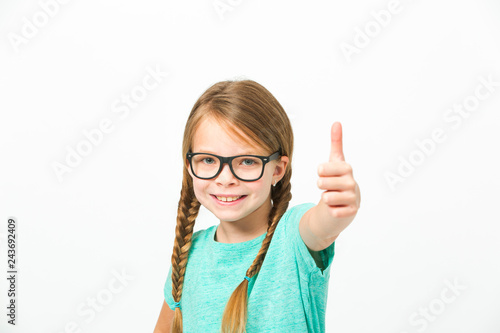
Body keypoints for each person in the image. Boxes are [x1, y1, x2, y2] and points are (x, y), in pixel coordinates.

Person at [153, 79, 361, 333]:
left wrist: (337, 205)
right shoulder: (189, 255)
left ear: (278, 170)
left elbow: (321, 225)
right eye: (208, 159)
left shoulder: (292, 238)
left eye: (247, 162)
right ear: (190, 167)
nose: (226, 178)